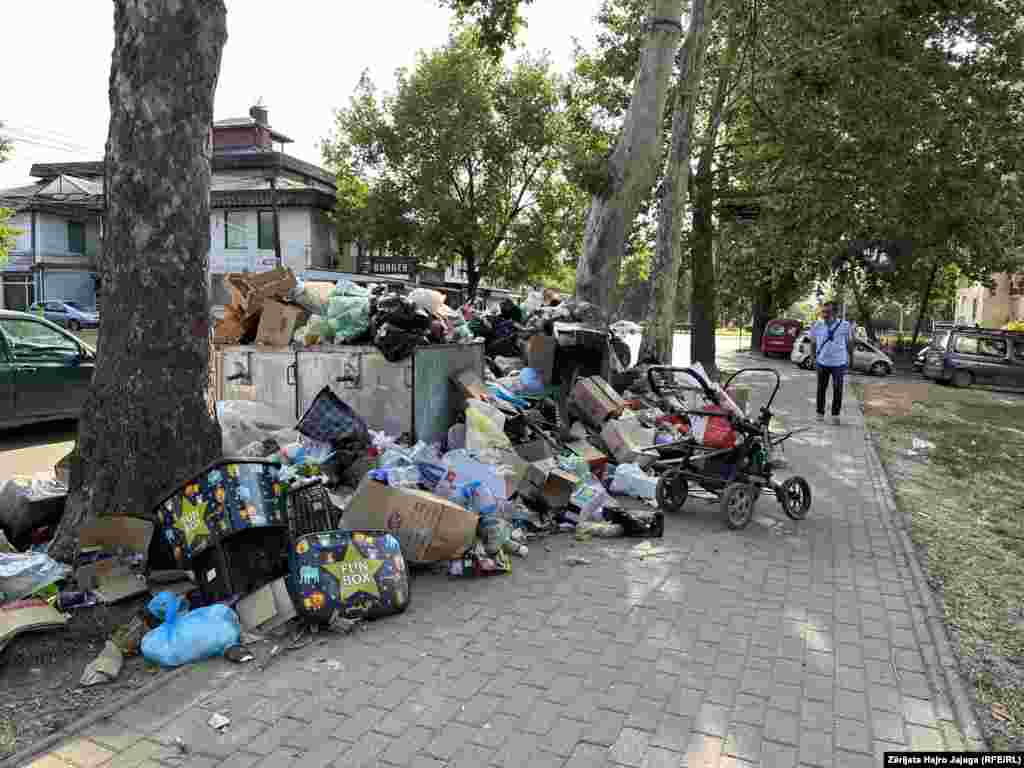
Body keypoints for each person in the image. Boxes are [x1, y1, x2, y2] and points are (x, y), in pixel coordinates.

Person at [808, 301, 854, 425]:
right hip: (822, 362)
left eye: (827, 312)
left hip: (839, 363)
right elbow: (813, 343)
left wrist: (851, 358)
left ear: (835, 313)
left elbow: (849, 343)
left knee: (838, 389)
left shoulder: (845, 325)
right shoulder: (817, 325)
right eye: (823, 311)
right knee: (821, 388)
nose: (824, 314)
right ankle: (820, 413)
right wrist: (813, 358)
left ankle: (835, 415)